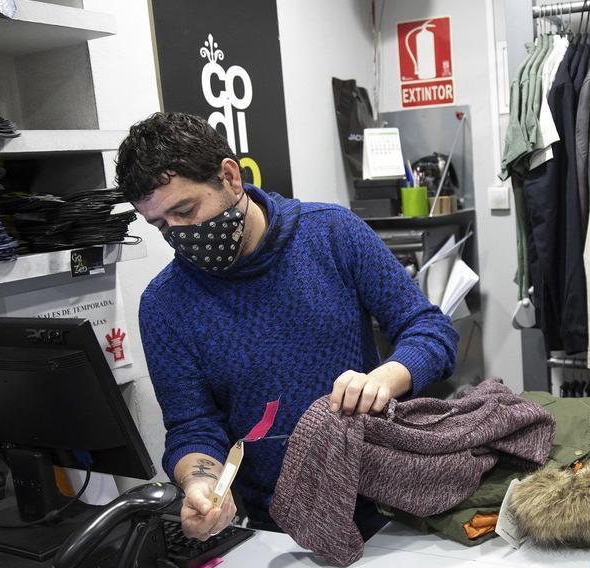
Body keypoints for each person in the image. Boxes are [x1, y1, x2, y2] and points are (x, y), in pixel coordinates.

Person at [117, 112, 458, 540]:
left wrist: (388, 377)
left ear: (230, 177)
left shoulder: (332, 234)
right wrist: (201, 483)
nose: (180, 235)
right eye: (162, 226)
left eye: (185, 211)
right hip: (274, 526)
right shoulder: (165, 305)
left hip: (384, 505)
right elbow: (192, 426)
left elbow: (430, 331)